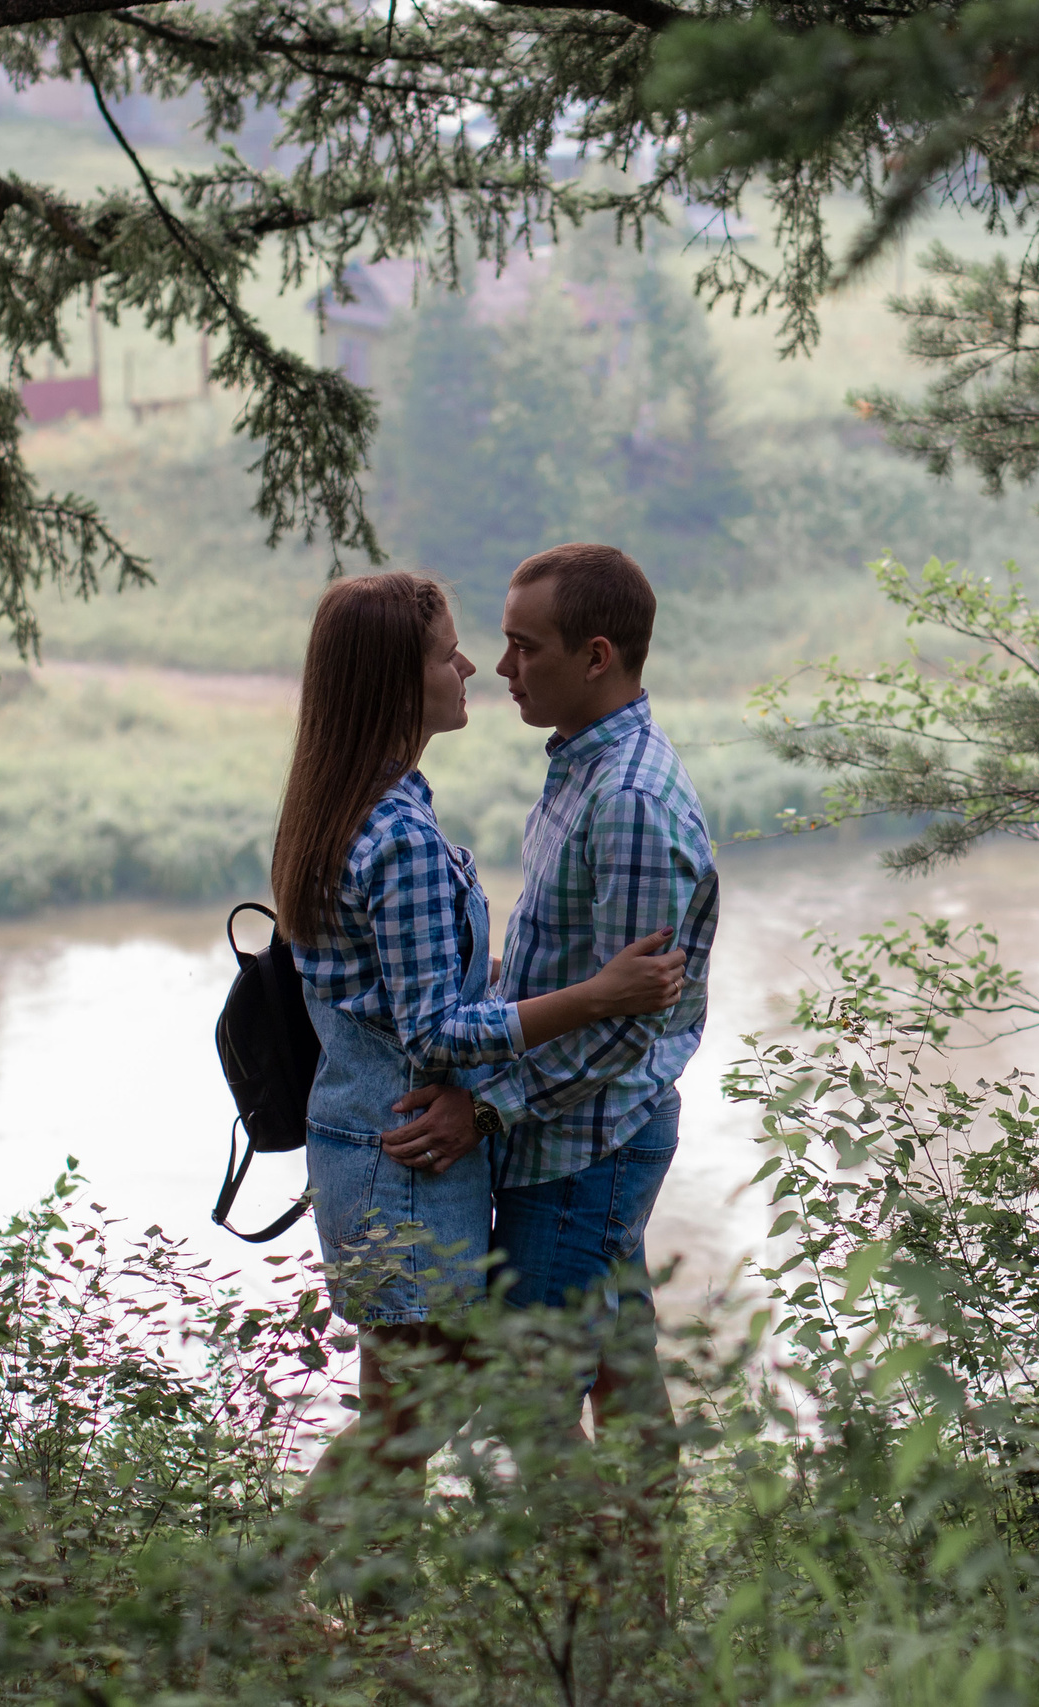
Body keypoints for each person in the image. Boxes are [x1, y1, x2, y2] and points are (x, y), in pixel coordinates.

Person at [271, 570, 685, 1484]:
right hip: (411, 1159)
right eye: (445, 651)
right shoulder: (403, 835)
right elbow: (434, 1034)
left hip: (359, 1142)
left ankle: (373, 1625)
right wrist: (596, 994)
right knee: (421, 1416)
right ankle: (264, 1595)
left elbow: (387, 990)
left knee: (401, 1414)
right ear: (394, 680)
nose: (473, 666)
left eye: (505, 644)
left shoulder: (346, 803)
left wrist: (507, 983)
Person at [384, 543, 719, 1462]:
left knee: (527, 1401)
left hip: (589, 1143)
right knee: (623, 1380)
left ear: (597, 656)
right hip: (573, 1133)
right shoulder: (581, 766)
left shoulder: (633, 801)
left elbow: (627, 1021)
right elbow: (566, 966)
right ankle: (640, 1601)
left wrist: (485, 1105)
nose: (501, 668)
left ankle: (583, 1599)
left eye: (525, 647)